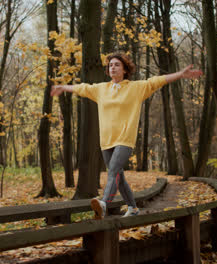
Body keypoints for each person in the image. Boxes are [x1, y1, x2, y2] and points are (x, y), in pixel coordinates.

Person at [51, 52, 203, 219]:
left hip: (125, 139)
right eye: (110, 65)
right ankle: (133, 208)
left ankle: (104, 203)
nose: (113, 67)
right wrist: (64, 87)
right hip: (106, 141)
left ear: (124, 69)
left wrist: (180, 74)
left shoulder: (136, 88)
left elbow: (158, 81)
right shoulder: (101, 89)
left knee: (114, 171)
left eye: (117, 64)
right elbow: (83, 88)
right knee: (119, 177)